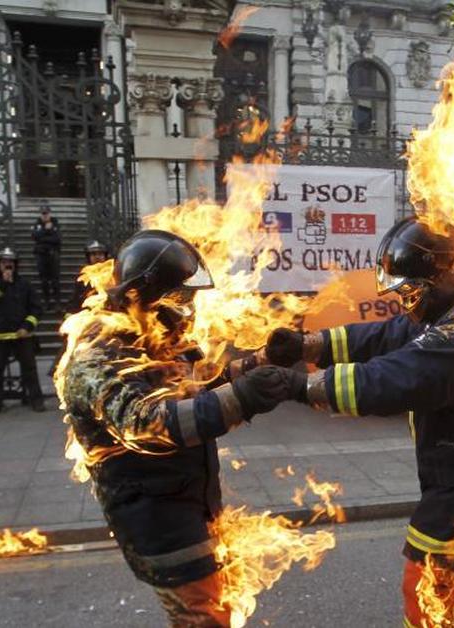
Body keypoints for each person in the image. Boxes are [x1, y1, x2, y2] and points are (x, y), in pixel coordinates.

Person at [259, 217, 454, 626]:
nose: (406, 301)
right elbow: (389, 335)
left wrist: (297, 386)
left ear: (447, 276)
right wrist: (308, 343)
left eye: (412, 290)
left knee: (427, 599)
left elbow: (397, 378)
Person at [59, 230, 297, 626]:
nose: (188, 308)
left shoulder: (158, 338)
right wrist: (243, 398)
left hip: (189, 501)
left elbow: (196, 388)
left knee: (214, 610)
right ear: (140, 295)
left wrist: (258, 363)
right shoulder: (98, 353)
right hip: (155, 515)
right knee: (203, 619)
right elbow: (147, 423)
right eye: (178, 298)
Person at [0, 247, 44, 416]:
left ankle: (36, 399)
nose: (8, 265)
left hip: (22, 334)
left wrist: (27, 326)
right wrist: (3, 282)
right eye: (4, 262)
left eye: (10, 262)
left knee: (30, 369)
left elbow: (36, 308)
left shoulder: (25, 284)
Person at [66, 240, 110, 314]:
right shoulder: (83, 277)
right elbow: (75, 298)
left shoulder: (113, 274)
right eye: (93, 254)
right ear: (88, 257)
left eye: (100, 254)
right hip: (88, 314)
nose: (97, 257)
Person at [31, 205, 62, 310]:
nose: (45, 215)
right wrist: (46, 230)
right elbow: (34, 236)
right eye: (43, 213)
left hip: (53, 254)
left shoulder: (55, 223)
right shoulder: (37, 224)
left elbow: (57, 239)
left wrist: (42, 238)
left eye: (46, 213)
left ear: (50, 213)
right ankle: (47, 301)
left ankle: (57, 302)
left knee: (55, 280)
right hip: (41, 255)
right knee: (43, 280)